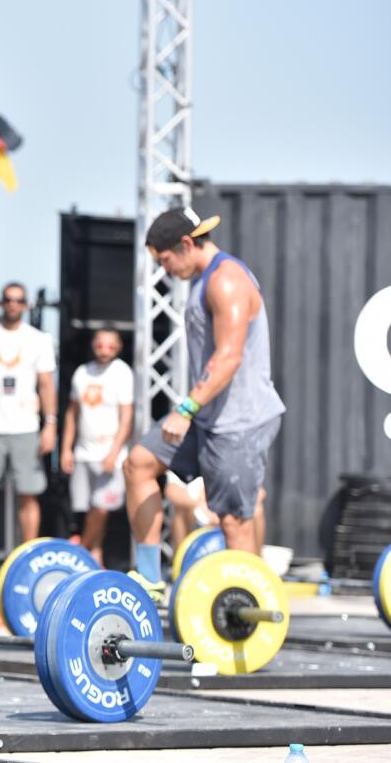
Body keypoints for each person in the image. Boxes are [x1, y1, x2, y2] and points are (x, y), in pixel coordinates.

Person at [124, 206, 285, 601]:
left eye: (164, 261)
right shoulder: (202, 280)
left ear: (185, 244)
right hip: (209, 416)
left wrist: (185, 409)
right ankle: (150, 578)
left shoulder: (225, 280)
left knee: (234, 522)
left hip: (238, 423)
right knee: (139, 463)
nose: (165, 270)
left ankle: (245, 612)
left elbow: (229, 357)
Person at [0, 282, 58, 544]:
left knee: (29, 494)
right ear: (1, 302)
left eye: (18, 300)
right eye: (8, 299)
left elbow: (46, 385)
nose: (12, 304)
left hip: (25, 428)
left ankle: (27, 554)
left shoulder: (38, 339)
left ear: (26, 304)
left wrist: (50, 424)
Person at [60, 328, 134, 566]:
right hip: (84, 452)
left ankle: (80, 550)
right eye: (100, 345)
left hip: (110, 454)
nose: (105, 350)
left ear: (119, 347)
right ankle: (95, 557)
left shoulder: (122, 372)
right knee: (87, 508)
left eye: (110, 346)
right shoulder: (82, 373)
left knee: (102, 508)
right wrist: (66, 448)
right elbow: (72, 414)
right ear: (93, 345)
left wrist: (114, 452)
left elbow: (127, 417)